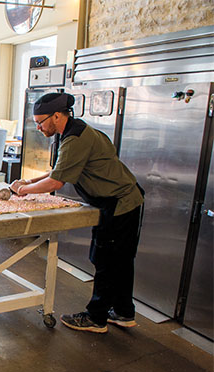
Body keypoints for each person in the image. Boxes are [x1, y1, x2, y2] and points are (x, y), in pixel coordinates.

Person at [10, 92, 145, 334]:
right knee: (121, 261)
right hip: (121, 200)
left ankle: (96, 317)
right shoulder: (72, 132)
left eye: (41, 122)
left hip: (119, 203)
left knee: (106, 261)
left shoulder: (76, 138)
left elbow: (55, 183)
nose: (38, 127)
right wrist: (27, 182)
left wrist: (23, 191)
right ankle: (123, 312)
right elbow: (57, 171)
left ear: (57, 116)